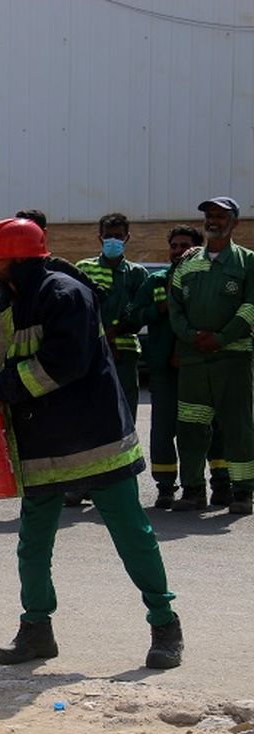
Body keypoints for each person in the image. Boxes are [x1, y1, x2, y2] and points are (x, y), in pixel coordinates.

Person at [0, 218, 183, 670]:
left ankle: (165, 625)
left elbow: (66, 363)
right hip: (41, 450)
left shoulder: (67, 296)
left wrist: (1, 389)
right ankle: (36, 631)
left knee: (133, 538)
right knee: (32, 545)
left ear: (23, 260)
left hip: (97, 442)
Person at [124, 226, 229, 509]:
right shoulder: (156, 282)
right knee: (162, 430)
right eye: (174, 245)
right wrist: (156, 311)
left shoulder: (208, 281)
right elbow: (131, 316)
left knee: (209, 427)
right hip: (164, 371)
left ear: (197, 249)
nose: (178, 250)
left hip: (202, 367)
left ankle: (220, 484)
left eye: (185, 246)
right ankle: (166, 488)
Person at [167, 197, 254, 514]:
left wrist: (221, 338)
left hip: (233, 358)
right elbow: (175, 307)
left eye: (220, 215)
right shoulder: (187, 264)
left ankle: (243, 492)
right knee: (190, 427)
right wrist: (191, 337)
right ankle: (193, 491)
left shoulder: (248, 262)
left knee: (237, 426)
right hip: (194, 361)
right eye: (209, 215)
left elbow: (251, 307)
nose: (213, 220)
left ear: (235, 222)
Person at [76, 213, 147, 420]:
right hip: (93, 352)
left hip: (126, 353)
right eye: (108, 236)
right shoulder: (84, 269)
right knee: (94, 409)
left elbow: (139, 313)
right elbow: (81, 313)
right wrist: (105, 341)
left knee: (125, 410)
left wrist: (115, 335)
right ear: (100, 237)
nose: (113, 240)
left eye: (118, 236)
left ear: (127, 238)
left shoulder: (137, 273)